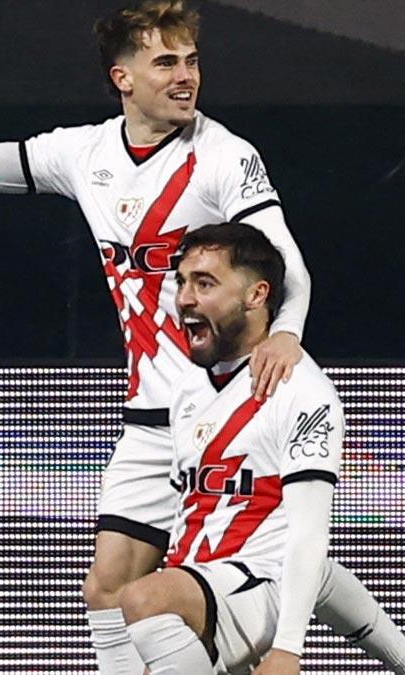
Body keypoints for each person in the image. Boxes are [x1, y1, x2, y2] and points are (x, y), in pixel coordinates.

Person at [0, 3, 405, 673]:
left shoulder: (225, 157)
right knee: (109, 589)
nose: (185, 76)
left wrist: (286, 334)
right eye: (166, 62)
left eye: (192, 61)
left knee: (238, 592)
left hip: (223, 408)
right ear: (122, 77)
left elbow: (287, 263)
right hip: (150, 420)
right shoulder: (84, 153)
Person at [120, 222, 342, 674]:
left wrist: (287, 650)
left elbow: (309, 535)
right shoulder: (186, 390)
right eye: (181, 282)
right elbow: (193, 513)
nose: (183, 298)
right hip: (203, 591)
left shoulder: (301, 390)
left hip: (261, 587)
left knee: (141, 595)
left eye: (204, 283)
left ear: (256, 296)